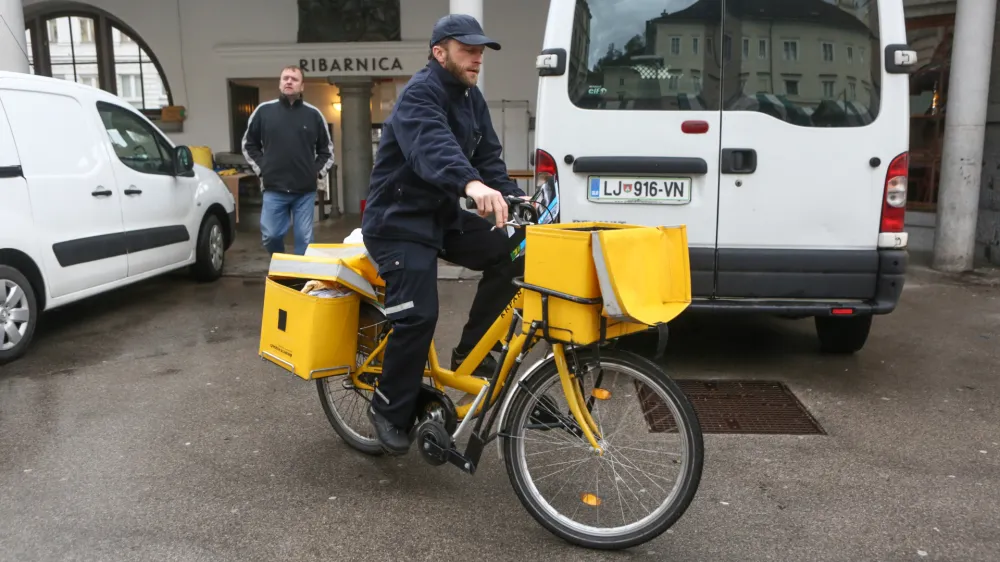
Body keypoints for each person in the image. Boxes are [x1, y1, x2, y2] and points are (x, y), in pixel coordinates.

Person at [360, 14, 527, 455]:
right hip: (397, 223)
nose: (477, 58)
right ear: (439, 52)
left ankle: (472, 354)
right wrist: (470, 185)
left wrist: (514, 198)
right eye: (467, 49)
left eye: (481, 51)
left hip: (438, 217)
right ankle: (388, 407)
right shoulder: (419, 94)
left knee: (516, 249)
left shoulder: (472, 99)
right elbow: (432, 146)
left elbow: (489, 157)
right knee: (418, 315)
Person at [242, 65, 335, 256]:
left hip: (305, 191)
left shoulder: (314, 115)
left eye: (294, 79)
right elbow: (248, 144)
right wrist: (263, 168)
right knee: (271, 235)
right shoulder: (263, 112)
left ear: (302, 87)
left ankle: (302, 279)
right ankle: (282, 265)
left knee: (305, 240)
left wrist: (316, 172)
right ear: (280, 83)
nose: (289, 82)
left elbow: (327, 151)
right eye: (285, 78)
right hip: (274, 188)